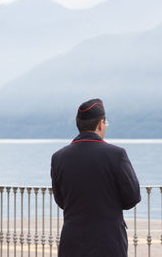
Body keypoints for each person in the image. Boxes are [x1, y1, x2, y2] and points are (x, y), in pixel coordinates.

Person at [50, 98, 141, 257]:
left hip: (71, 243)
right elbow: (132, 197)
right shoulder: (117, 155)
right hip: (109, 243)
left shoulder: (58, 157)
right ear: (101, 124)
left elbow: (60, 200)